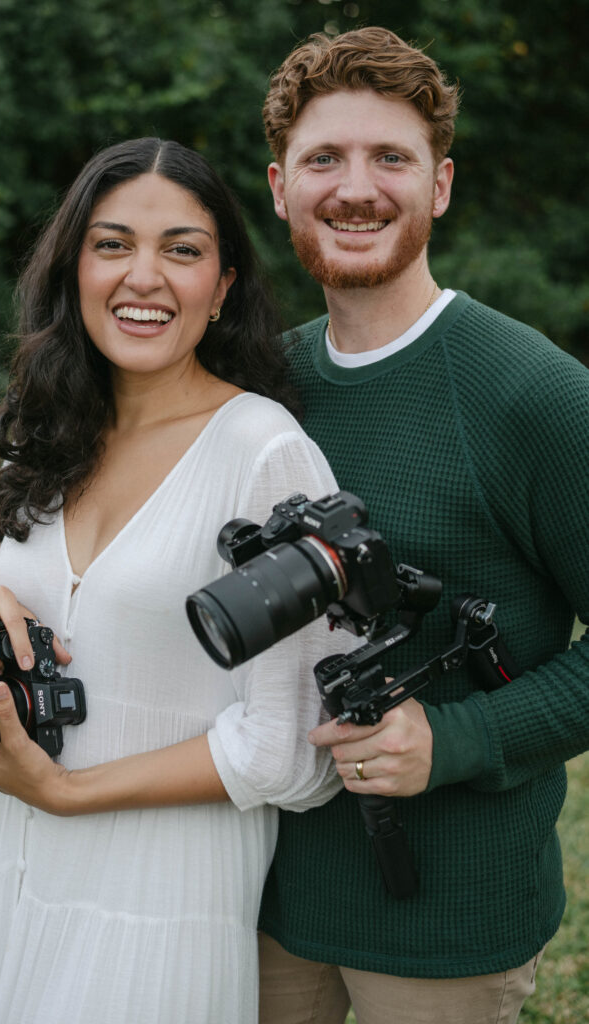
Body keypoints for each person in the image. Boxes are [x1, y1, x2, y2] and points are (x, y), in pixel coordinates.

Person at [0, 137, 343, 1024]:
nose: (142, 276)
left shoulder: (265, 453)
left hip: (157, 891)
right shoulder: (47, 427)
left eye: (181, 250)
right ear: (74, 266)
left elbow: (289, 745)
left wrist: (68, 792)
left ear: (224, 285)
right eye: (112, 244)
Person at [256, 26, 589, 1024]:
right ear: (280, 189)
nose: (356, 187)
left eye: (390, 158)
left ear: (438, 185)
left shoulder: (534, 393)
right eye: (326, 159)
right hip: (261, 893)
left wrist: (456, 739)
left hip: (450, 922)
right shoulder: (256, 388)